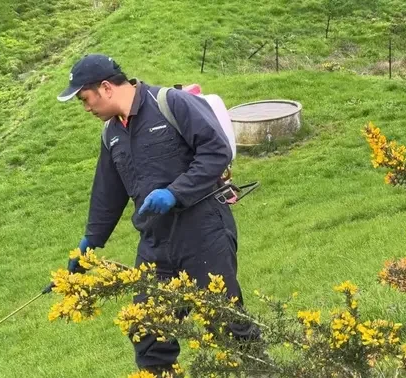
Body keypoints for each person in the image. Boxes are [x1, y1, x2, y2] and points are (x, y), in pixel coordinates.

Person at [57, 54, 257, 376]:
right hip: (155, 243)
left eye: (85, 99)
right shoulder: (112, 134)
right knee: (147, 328)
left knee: (227, 324)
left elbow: (216, 151)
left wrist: (175, 192)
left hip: (203, 231)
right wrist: (90, 243)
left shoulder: (171, 103)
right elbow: (108, 195)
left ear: (106, 88)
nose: (86, 108)